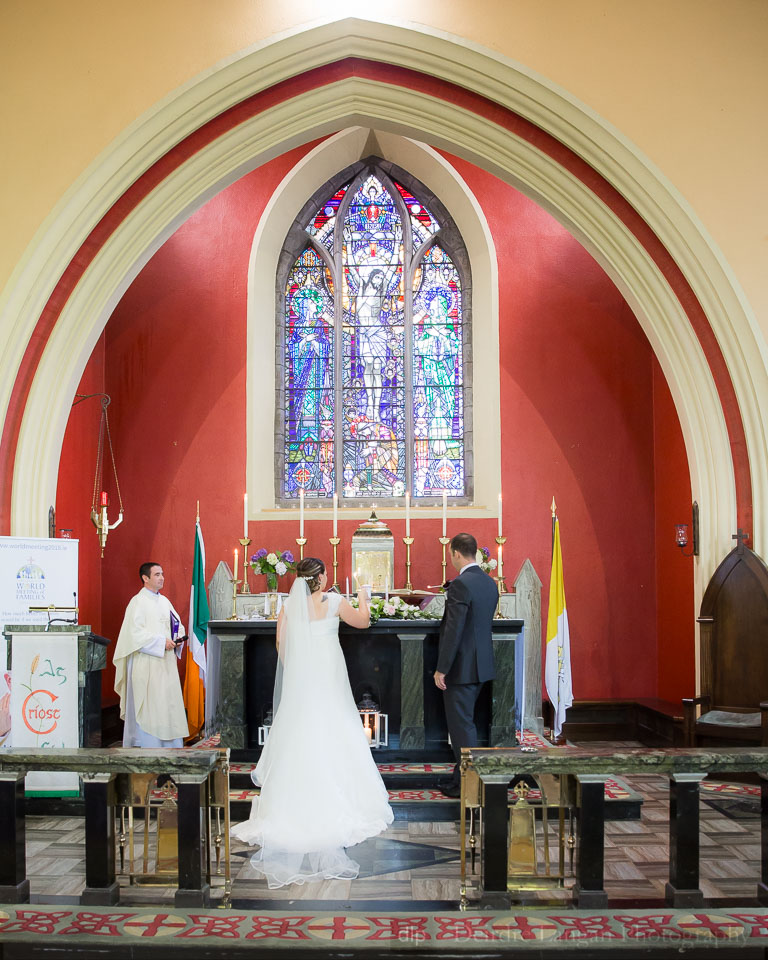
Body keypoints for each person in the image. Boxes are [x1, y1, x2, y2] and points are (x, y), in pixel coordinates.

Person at [232, 557, 393, 887]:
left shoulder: (290, 608)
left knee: (300, 735)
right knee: (335, 729)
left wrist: (298, 669)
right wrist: (363, 594)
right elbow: (362, 622)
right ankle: (340, 796)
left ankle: (293, 801)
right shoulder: (335, 600)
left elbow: (281, 644)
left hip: (302, 682)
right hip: (330, 678)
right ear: (321, 577)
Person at [434, 532, 499, 797]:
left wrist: (442, 667)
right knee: (466, 725)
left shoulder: (461, 584)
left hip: (462, 667)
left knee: (461, 729)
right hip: (481, 664)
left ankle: (466, 785)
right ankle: (459, 778)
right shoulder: (489, 583)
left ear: (457, 554)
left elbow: (454, 630)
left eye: (451, 555)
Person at [114, 562, 189, 748]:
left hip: (166, 664)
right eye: (156, 574)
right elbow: (134, 634)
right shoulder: (137, 602)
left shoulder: (164, 601)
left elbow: (177, 624)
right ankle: (150, 745)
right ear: (145, 578)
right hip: (147, 663)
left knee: (167, 704)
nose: (161, 578)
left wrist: (177, 638)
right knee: (150, 706)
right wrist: (161, 642)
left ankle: (171, 745)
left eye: (162, 574)